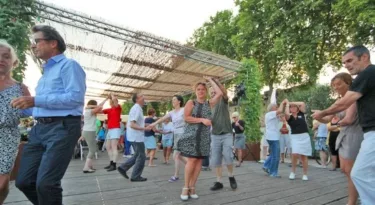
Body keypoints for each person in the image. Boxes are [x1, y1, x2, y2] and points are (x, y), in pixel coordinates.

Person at [12, 25, 86, 205]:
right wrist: (18, 105)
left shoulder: (69, 66)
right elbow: (40, 108)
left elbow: (75, 98)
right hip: (40, 129)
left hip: (63, 127)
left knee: (46, 184)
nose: (32, 46)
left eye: (37, 41)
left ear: (53, 43)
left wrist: (35, 100)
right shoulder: (47, 72)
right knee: (24, 181)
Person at [312, 45, 375, 205]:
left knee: (358, 173)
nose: (346, 65)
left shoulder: (367, 73)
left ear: (364, 57)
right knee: (359, 173)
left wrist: (323, 114)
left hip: (367, 133)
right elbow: (334, 113)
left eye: (350, 60)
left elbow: (343, 108)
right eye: (344, 62)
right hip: (366, 133)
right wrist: (323, 117)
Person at [314, 72, 364, 205]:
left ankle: (352, 201)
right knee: (345, 170)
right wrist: (318, 117)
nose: (335, 87)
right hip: (343, 135)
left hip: (355, 134)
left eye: (338, 84)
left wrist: (334, 124)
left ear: (348, 83)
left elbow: (348, 120)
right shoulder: (338, 101)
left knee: (351, 171)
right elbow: (326, 119)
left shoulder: (353, 98)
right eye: (333, 85)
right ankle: (359, 194)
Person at [176, 79, 221, 201]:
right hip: (191, 135)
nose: (201, 91)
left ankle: (192, 187)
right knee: (191, 160)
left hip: (204, 137)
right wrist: (201, 120)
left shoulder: (209, 103)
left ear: (206, 91)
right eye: (198, 89)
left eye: (203, 89)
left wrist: (211, 81)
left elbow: (220, 93)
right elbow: (186, 118)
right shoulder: (191, 102)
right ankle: (185, 187)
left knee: (199, 162)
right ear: (195, 91)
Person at [0, 40, 31, 204]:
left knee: (2, 183)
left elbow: (28, 118)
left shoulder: (20, 88)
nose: (1, 59)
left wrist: (25, 140)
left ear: (13, 62)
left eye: (6, 56)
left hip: (8, 138)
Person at [209, 77, 238, 191]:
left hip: (226, 134)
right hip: (215, 135)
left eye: (214, 92)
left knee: (228, 156)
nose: (212, 94)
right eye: (210, 93)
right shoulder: (209, 105)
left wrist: (216, 82)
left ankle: (231, 176)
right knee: (216, 159)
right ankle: (219, 181)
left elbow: (224, 92)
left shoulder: (223, 100)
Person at [149, 95, 186, 182]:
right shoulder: (172, 112)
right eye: (172, 100)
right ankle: (190, 165)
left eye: (174, 100)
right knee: (178, 155)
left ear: (179, 101)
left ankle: (177, 175)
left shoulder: (183, 110)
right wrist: (154, 124)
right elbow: (162, 118)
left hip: (182, 134)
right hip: (176, 134)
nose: (172, 101)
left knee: (176, 155)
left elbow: (189, 119)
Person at [117, 93, 149, 182]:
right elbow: (132, 124)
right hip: (136, 137)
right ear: (137, 99)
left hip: (134, 136)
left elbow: (135, 123)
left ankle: (123, 168)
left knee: (138, 154)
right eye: (141, 96)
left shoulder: (137, 108)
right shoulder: (137, 109)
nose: (144, 97)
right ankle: (135, 176)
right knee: (141, 156)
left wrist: (146, 124)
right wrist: (144, 128)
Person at [285, 100, 312, 181]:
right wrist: (287, 105)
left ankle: (305, 174)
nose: (292, 108)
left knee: (304, 155)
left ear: (297, 108)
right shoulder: (289, 117)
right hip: (295, 137)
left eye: (294, 106)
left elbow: (302, 103)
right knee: (294, 154)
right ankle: (293, 172)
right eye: (291, 107)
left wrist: (290, 102)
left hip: (304, 136)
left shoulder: (301, 114)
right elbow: (286, 113)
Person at [81, 99, 107, 173]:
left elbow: (100, 108)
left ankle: (90, 166)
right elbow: (99, 107)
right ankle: (86, 168)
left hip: (87, 131)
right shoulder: (89, 111)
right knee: (92, 150)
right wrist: (97, 105)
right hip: (89, 132)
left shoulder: (89, 112)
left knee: (92, 149)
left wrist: (106, 99)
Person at [262, 101, 286, 178]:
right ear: (272, 108)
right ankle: (273, 173)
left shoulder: (273, 115)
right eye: (276, 107)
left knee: (273, 154)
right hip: (273, 137)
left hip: (272, 137)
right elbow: (280, 111)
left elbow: (283, 118)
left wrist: (285, 107)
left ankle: (266, 166)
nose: (277, 108)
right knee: (276, 156)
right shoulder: (269, 114)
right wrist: (283, 102)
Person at [102, 94, 122, 171]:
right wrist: (106, 99)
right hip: (110, 130)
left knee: (114, 147)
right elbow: (100, 109)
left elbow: (115, 101)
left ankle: (114, 164)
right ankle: (111, 163)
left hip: (115, 129)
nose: (113, 102)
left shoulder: (118, 108)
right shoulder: (109, 110)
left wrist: (112, 95)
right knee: (107, 146)